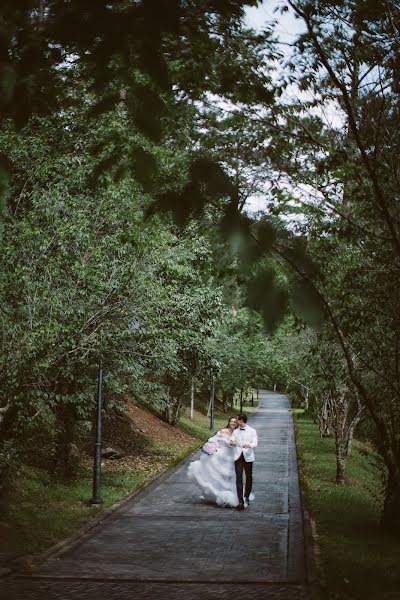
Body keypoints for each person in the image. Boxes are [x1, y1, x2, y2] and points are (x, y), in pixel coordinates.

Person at [187, 416, 239, 507]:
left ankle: (228, 494)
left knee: (229, 476)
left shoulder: (237, 433)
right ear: (229, 422)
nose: (233, 423)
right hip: (220, 455)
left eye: (235, 422)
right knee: (219, 475)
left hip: (231, 456)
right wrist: (211, 448)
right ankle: (217, 494)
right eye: (231, 421)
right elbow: (214, 440)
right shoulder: (223, 431)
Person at [229, 413, 258, 510]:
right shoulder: (236, 431)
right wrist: (232, 443)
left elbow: (255, 442)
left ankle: (247, 496)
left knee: (249, 477)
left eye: (237, 420)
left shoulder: (252, 431)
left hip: (248, 456)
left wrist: (249, 445)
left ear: (241, 421)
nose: (236, 421)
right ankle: (240, 501)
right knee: (239, 478)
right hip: (238, 457)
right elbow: (231, 440)